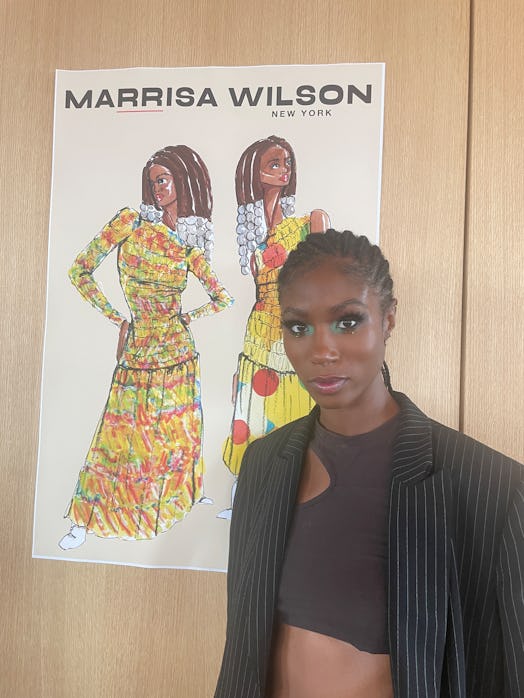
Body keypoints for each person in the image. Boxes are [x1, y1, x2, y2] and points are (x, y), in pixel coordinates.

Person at [215, 229, 523, 698]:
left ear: (389, 318)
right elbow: (245, 646)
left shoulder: (490, 488)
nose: (321, 351)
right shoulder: (262, 465)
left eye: (347, 322)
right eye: (299, 327)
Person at [59, 145, 233, 549]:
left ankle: (182, 500)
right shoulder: (129, 222)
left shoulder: (190, 242)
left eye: (164, 179)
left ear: (184, 181)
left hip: (178, 354)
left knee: (176, 437)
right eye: (153, 180)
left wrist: (191, 316)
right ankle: (85, 521)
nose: (157, 188)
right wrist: (116, 318)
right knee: (118, 438)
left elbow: (222, 297)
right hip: (138, 348)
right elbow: (79, 270)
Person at [222, 135, 329, 485]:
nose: (284, 171)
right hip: (257, 332)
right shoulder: (250, 235)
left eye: (288, 164)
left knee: (294, 412)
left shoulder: (308, 223)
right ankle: (249, 488)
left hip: (293, 333)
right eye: (274, 164)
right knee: (253, 413)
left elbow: (326, 284)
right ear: (254, 173)